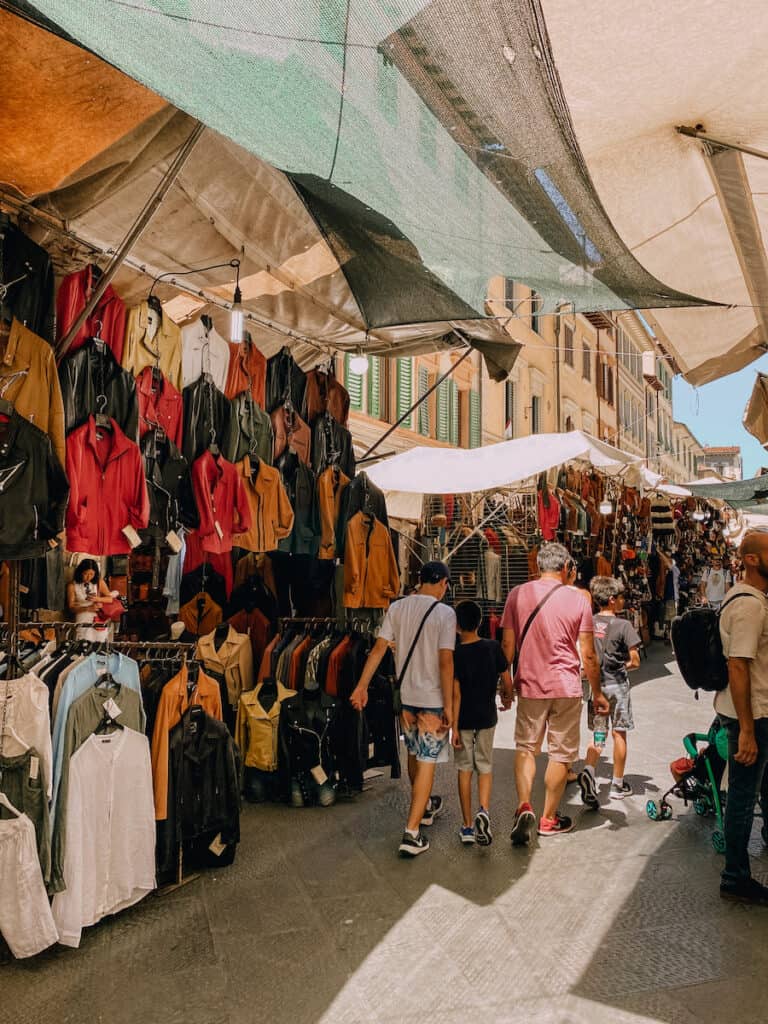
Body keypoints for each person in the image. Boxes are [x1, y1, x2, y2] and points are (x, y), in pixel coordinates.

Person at [501, 543, 608, 843]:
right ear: (565, 568)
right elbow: (588, 654)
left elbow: (507, 648)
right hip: (566, 686)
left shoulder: (517, 594)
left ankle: (525, 805)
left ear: (537, 565)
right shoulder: (578, 600)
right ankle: (548, 818)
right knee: (561, 755)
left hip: (530, 685)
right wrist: (597, 693)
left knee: (526, 747)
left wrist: (506, 684)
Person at [351, 561, 456, 857]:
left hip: (406, 696)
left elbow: (378, 650)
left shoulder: (397, 608)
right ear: (443, 584)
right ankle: (411, 833)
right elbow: (446, 662)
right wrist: (449, 705)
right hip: (433, 698)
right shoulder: (445, 613)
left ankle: (422, 809)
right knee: (428, 760)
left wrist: (361, 686)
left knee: (413, 753)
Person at [716, 530, 768, 904]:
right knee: (742, 795)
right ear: (752, 559)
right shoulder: (750, 605)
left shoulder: (748, 598)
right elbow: (738, 666)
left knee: (757, 789)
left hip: (756, 713)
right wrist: (747, 730)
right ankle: (735, 876)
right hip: (754, 715)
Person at [451, 601, 512, 846]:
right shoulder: (492, 647)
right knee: (484, 766)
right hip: (487, 717)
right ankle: (483, 811)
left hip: (464, 719)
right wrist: (508, 697)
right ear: (479, 623)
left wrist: (453, 727)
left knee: (465, 769)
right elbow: (506, 677)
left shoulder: (455, 653)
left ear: (457, 626)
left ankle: (467, 826)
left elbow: (455, 693)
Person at [578, 577, 641, 808]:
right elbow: (635, 661)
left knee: (598, 734)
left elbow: (584, 655)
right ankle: (616, 785)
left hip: (597, 686)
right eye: (621, 597)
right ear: (612, 600)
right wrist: (622, 665)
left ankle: (589, 770)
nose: (623, 600)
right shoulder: (624, 626)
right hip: (618, 687)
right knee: (619, 734)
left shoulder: (589, 624)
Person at [66, 559, 115, 642]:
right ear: (80, 572)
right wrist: (88, 608)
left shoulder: (99, 582)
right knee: (84, 641)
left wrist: (98, 599)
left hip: (98, 617)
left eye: (91, 574)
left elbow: (110, 599)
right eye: (85, 574)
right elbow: (71, 607)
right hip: (82, 616)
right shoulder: (72, 585)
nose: (88, 577)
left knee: (99, 641)